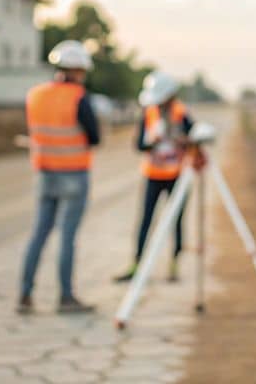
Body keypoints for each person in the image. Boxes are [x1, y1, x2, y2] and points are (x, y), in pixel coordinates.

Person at [19, 40, 100, 314]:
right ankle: (65, 297)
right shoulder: (78, 97)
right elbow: (95, 136)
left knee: (38, 234)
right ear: (76, 70)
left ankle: (25, 293)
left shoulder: (35, 95)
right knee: (67, 236)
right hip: (74, 174)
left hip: (44, 174)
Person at [114, 70, 200, 283]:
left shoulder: (181, 113)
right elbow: (139, 145)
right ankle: (137, 264)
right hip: (153, 174)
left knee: (176, 221)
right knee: (146, 220)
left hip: (177, 175)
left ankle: (174, 264)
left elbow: (196, 140)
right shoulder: (149, 113)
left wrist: (183, 140)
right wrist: (152, 142)